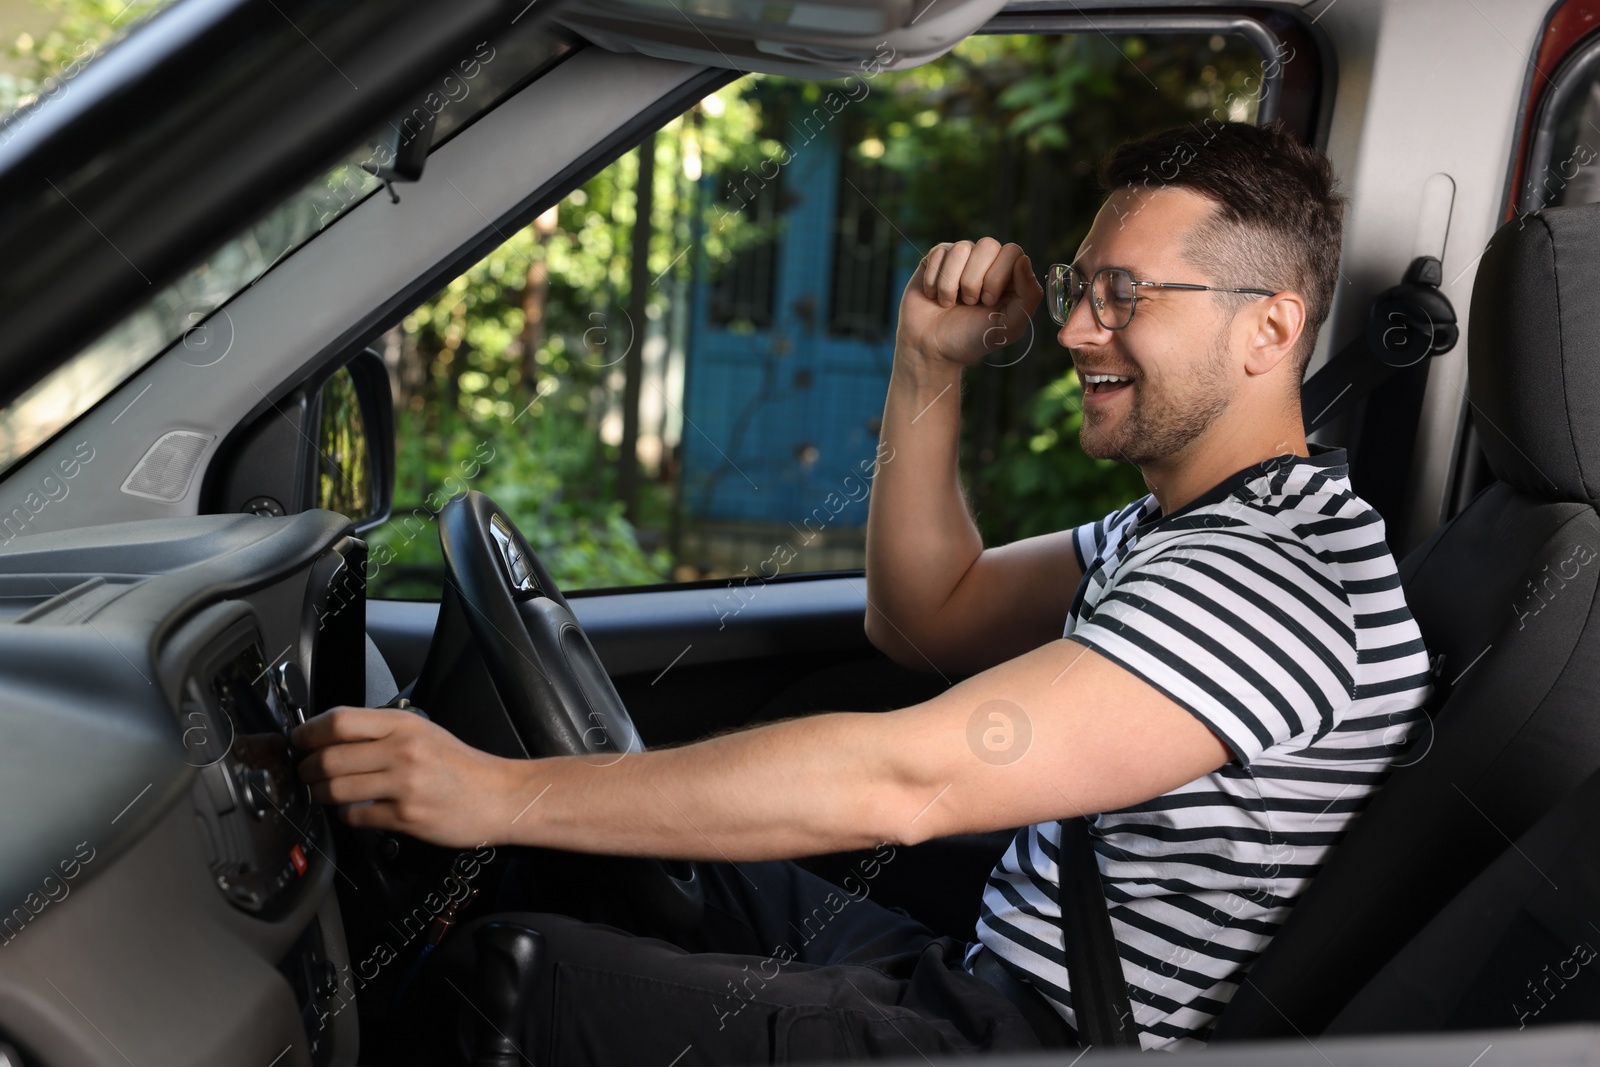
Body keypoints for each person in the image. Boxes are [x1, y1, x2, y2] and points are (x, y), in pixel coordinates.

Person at [293, 119, 1434, 1059]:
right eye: (1084, 285)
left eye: (1127, 295)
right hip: (980, 979)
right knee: (587, 863)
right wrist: (928, 363)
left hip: (1034, 1037)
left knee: (501, 982)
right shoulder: (1183, 530)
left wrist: (502, 792)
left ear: (1268, 328)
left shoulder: (1273, 574)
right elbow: (923, 614)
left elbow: (913, 776)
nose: (1077, 326)